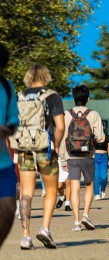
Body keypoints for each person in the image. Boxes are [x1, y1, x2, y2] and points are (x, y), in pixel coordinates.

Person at [15, 64, 65, 249]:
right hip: (45, 148)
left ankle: (25, 236)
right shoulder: (52, 96)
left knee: (26, 192)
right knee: (51, 190)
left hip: (25, 148)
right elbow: (60, 126)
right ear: (46, 76)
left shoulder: (19, 96)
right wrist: (57, 144)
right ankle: (44, 229)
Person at [59, 84, 104, 232]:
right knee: (89, 185)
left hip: (71, 156)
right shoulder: (93, 114)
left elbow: (63, 138)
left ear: (73, 98)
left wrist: (63, 159)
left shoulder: (66, 115)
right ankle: (86, 215)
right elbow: (100, 137)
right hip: (88, 155)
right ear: (88, 98)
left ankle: (76, 222)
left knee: (74, 188)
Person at [0, 42, 19, 248]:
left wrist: (10, 127)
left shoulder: (6, 86)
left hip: (3, 163)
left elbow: (13, 116)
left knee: (8, 209)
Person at [94, 122, 109, 200]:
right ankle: (96, 194)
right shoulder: (93, 137)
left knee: (104, 177)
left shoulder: (108, 138)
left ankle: (103, 189)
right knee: (96, 176)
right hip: (94, 157)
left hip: (104, 157)